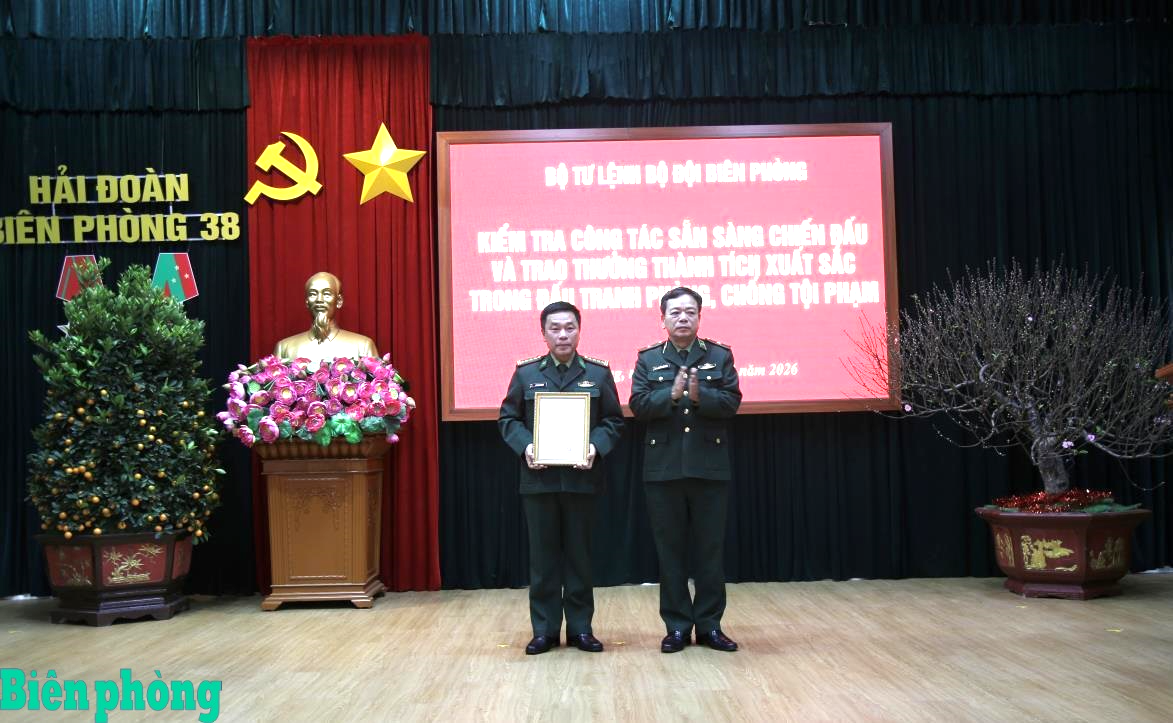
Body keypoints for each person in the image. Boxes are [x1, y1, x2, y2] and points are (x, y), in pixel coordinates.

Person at [498, 301, 624, 655]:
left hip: (582, 481)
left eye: (570, 327)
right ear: (544, 333)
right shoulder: (526, 374)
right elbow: (508, 419)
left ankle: (581, 629)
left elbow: (613, 421)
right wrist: (527, 446)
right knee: (543, 560)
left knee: (580, 559)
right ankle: (545, 630)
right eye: (555, 328)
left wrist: (595, 447)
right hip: (539, 481)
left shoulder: (598, 373)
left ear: (579, 331)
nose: (563, 335)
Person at [629, 287, 742, 653]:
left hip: (709, 468)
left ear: (699, 317)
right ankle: (677, 627)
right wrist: (672, 395)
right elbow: (638, 405)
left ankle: (709, 626)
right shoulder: (648, 358)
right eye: (675, 312)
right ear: (662, 318)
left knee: (709, 553)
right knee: (671, 553)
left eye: (690, 312)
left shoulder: (719, 355)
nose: (683, 318)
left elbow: (732, 402)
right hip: (663, 470)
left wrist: (699, 396)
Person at [274, 271, 378, 363]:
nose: (319, 299)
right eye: (313, 294)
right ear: (307, 302)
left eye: (327, 294)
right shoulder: (284, 348)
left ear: (339, 301)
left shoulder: (363, 346)